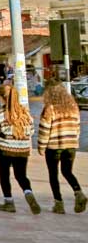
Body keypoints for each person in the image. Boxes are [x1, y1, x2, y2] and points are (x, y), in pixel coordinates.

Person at [0, 84, 39, 214]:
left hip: (4, 148)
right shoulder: (25, 113)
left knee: (4, 176)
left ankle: (9, 202)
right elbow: (31, 131)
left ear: (1, 97)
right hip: (22, 149)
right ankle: (28, 192)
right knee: (21, 175)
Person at [37, 82, 86, 214]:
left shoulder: (50, 108)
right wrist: (74, 140)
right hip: (71, 145)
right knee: (67, 171)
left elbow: (44, 129)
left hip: (54, 146)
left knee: (53, 174)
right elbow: (77, 127)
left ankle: (58, 204)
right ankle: (78, 192)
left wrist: (41, 146)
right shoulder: (73, 107)